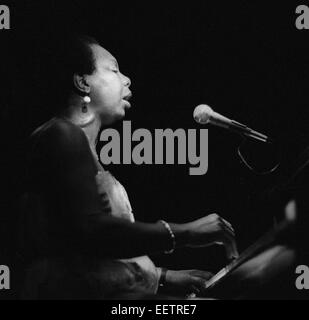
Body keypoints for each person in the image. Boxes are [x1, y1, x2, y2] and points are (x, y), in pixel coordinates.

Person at [18, 35, 238, 299]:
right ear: (82, 82)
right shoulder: (61, 135)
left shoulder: (79, 146)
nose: (126, 79)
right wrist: (186, 232)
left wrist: (161, 276)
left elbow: (84, 254)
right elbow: (93, 232)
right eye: (113, 69)